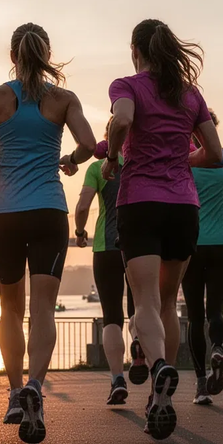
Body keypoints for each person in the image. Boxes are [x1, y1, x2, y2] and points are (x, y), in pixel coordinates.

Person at [0, 23, 96, 444]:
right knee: (43, 307)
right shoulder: (63, 99)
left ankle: (12, 393)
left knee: (9, 308)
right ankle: (35, 387)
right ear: (47, 52)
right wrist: (71, 159)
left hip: (4, 213)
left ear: (12, 55)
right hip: (48, 212)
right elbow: (91, 145)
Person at [102, 19, 222, 440]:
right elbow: (216, 152)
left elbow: (121, 121)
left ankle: (157, 367)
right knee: (168, 303)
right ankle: (162, 397)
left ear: (136, 50)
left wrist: (114, 155)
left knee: (145, 302)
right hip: (183, 207)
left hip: (140, 202)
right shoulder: (190, 94)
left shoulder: (127, 85)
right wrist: (179, 159)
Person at [183, 110, 223, 405]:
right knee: (216, 312)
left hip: (192, 246)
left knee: (195, 318)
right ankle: (219, 347)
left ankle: (199, 385)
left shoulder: (185, 165)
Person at [74, 132, 137, 405]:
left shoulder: (96, 168)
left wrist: (79, 232)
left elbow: (82, 206)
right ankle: (139, 349)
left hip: (106, 247)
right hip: (139, 248)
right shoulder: (142, 162)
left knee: (112, 315)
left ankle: (117, 379)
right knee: (142, 308)